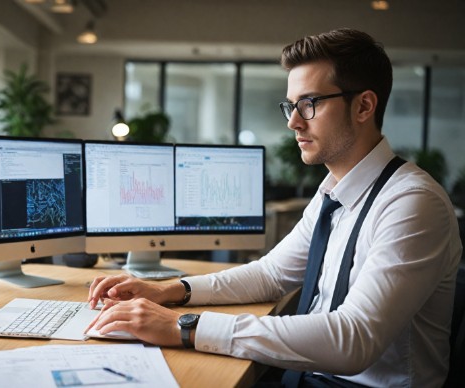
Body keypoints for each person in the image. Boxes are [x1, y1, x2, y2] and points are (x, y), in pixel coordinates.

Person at [86, 28, 462, 387]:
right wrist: (169, 291)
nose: (293, 122)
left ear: (364, 105)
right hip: (309, 377)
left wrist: (185, 326)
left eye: (309, 104)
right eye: (291, 106)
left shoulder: (412, 203)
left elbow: (354, 339)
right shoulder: (333, 193)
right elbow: (269, 275)